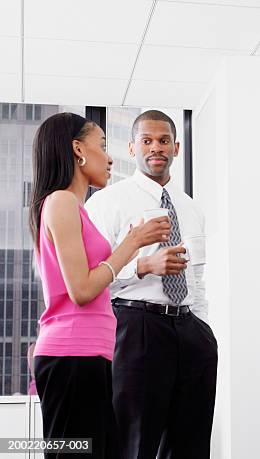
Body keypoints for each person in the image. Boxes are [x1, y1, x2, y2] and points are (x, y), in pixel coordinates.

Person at [29, 112, 171, 458]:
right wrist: (132, 243)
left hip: (90, 356)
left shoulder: (75, 208)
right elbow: (81, 289)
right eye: (103, 146)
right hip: (72, 356)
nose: (109, 157)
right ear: (78, 150)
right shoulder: (61, 201)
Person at [85, 110, 218, 459]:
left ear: (175, 147)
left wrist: (203, 329)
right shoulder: (106, 203)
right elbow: (89, 278)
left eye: (163, 141)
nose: (155, 148)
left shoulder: (190, 208)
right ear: (132, 147)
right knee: (134, 442)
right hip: (136, 327)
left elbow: (197, 278)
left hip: (190, 330)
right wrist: (143, 266)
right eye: (146, 141)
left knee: (190, 443)